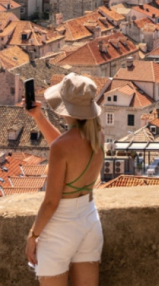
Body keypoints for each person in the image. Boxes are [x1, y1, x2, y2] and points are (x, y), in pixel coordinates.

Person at [25, 73, 105, 286]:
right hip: (89, 221)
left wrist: (33, 236)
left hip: (60, 227)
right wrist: (38, 117)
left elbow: (51, 202)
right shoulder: (98, 136)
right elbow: (64, 147)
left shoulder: (63, 147)